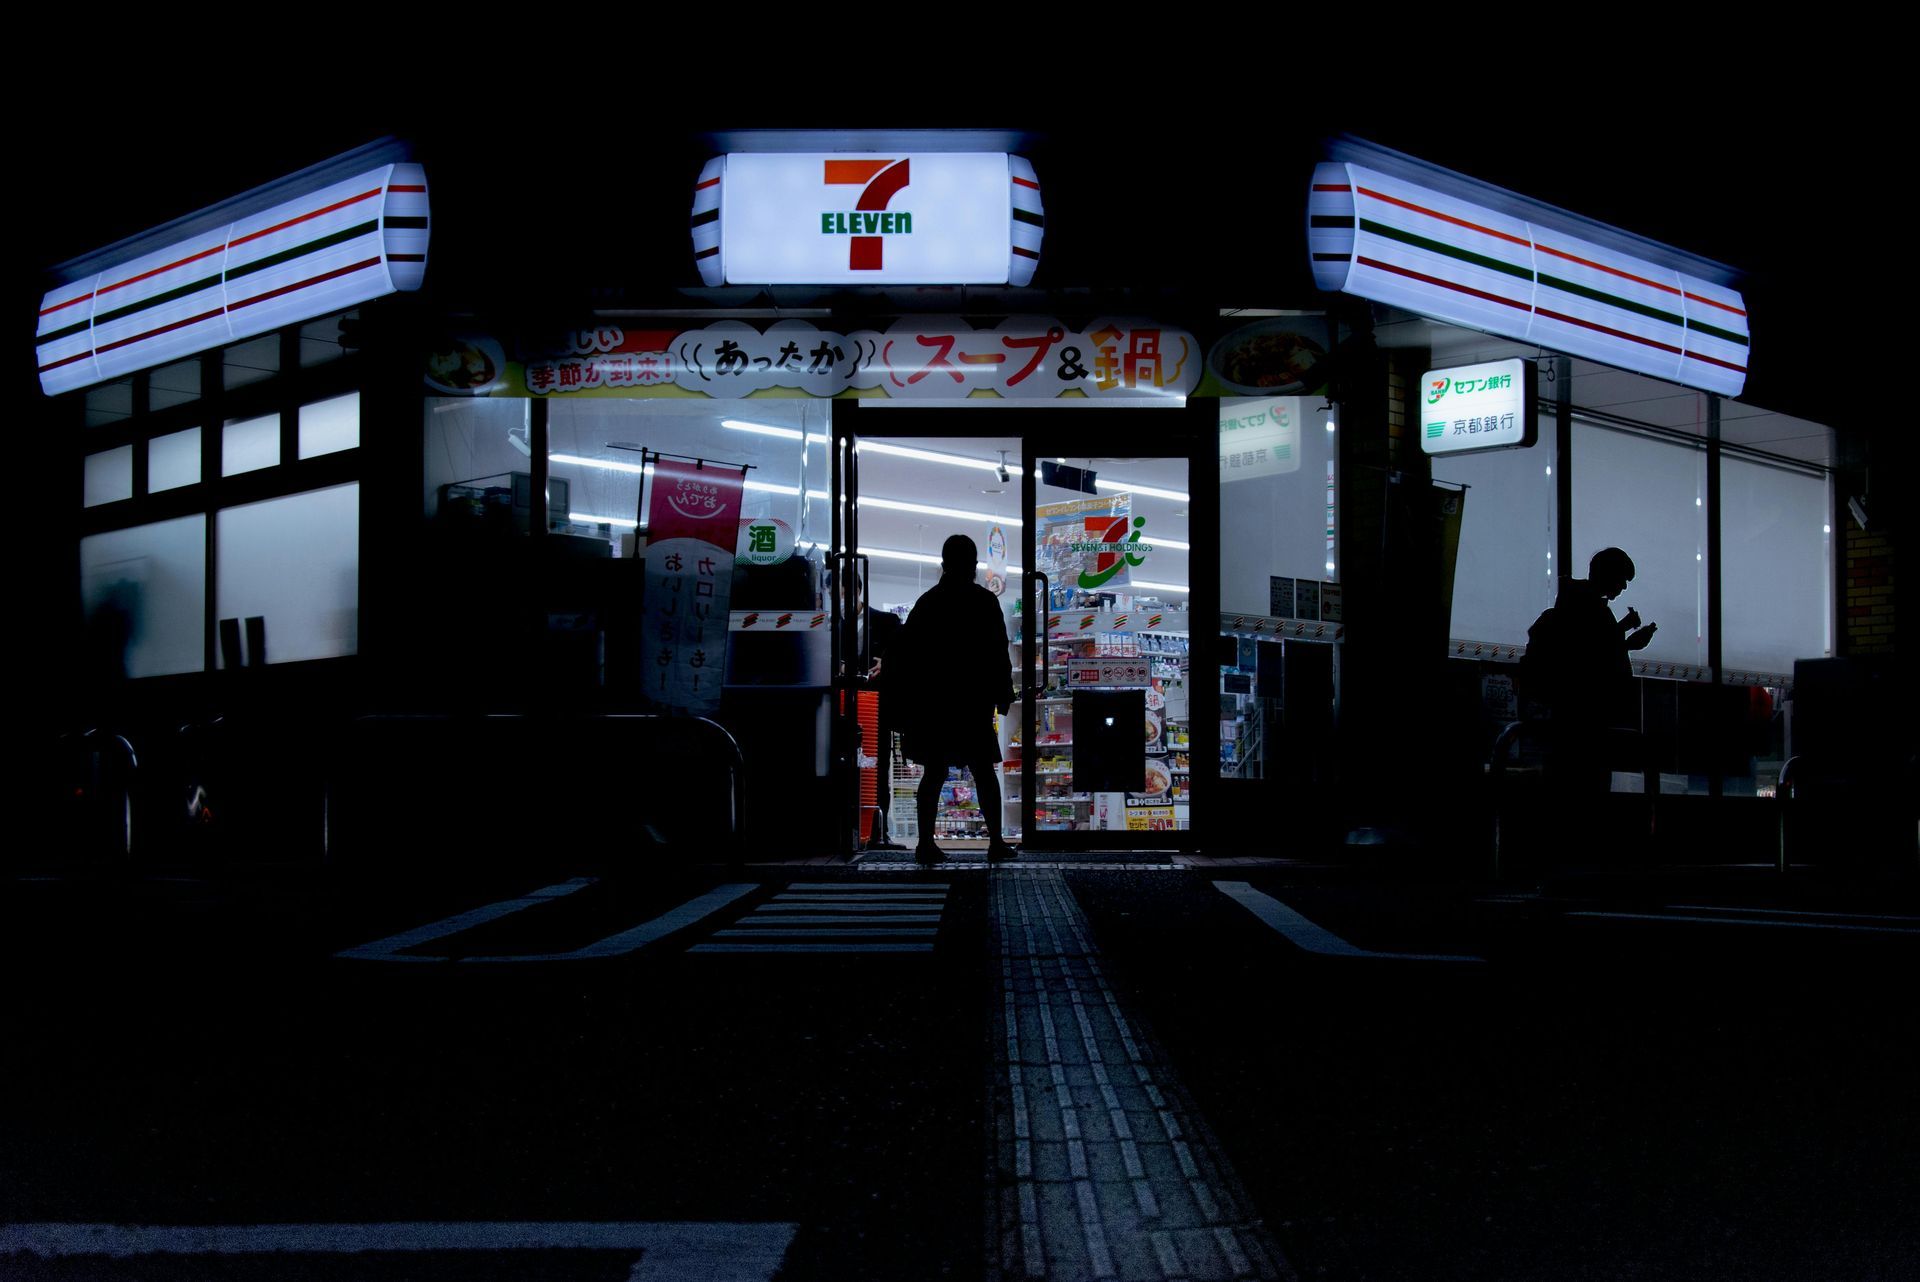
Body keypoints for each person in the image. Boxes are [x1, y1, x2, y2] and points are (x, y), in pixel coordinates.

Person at [891, 534, 1018, 865]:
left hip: (933, 704)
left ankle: (925, 844)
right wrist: (1003, 695)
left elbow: (907, 657)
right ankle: (996, 843)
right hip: (972, 703)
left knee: (933, 773)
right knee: (984, 772)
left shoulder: (927, 603)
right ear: (974, 565)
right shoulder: (984, 602)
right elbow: (997, 652)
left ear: (944, 564)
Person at [1526, 546, 1657, 804]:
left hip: (1571, 724)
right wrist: (1627, 641)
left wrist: (1623, 635)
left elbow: (1588, 650)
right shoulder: (1588, 608)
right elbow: (1590, 661)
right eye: (1622, 580)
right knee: (1587, 795)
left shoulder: (1574, 602)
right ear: (1608, 575)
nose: (1624, 588)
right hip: (1584, 726)